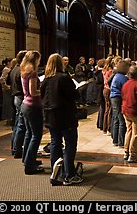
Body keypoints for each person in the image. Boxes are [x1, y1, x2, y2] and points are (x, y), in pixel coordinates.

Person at [41, 53, 83, 186]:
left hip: (50, 115)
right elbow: (74, 95)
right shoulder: (64, 77)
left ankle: (57, 173)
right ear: (60, 64)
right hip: (65, 115)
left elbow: (42, 96)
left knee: (55, 143)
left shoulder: (46, 79)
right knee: (70, 144)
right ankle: (69, 175)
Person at [20, 50, 44, 174]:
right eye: (38, 59)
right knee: (36, 135)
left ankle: (28, 159)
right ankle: (30, 166)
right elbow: (33, 92)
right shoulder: (33, 73)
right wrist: (44, 90)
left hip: (25, 104)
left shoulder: (24, 70)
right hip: (33, 106)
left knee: (29, 134)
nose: (39, 61)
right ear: (35, 59)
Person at [9, 50, 27, 157]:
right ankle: (17, 150)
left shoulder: (14, 69)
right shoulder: (21, 70)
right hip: (21, 97)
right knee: (21, 125)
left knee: (17, 124)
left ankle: (14, 147)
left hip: (16, 97)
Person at [110, 59, 130, 147]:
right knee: (122, 120)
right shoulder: (123, 78)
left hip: (113, 97)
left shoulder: (116, 75)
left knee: (116, 119)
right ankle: (121, 142)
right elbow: (126, 89)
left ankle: (115, 140)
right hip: (118, 98)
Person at [0, 57, 14, 125]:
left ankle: (10, 119)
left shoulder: (9, 69)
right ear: (8, 62)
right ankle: (8, 119)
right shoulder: (6, 69)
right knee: (8, 104)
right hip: (7, 90)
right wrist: (6, 87)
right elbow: (2, 79)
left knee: (9, 104)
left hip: (9, 89)